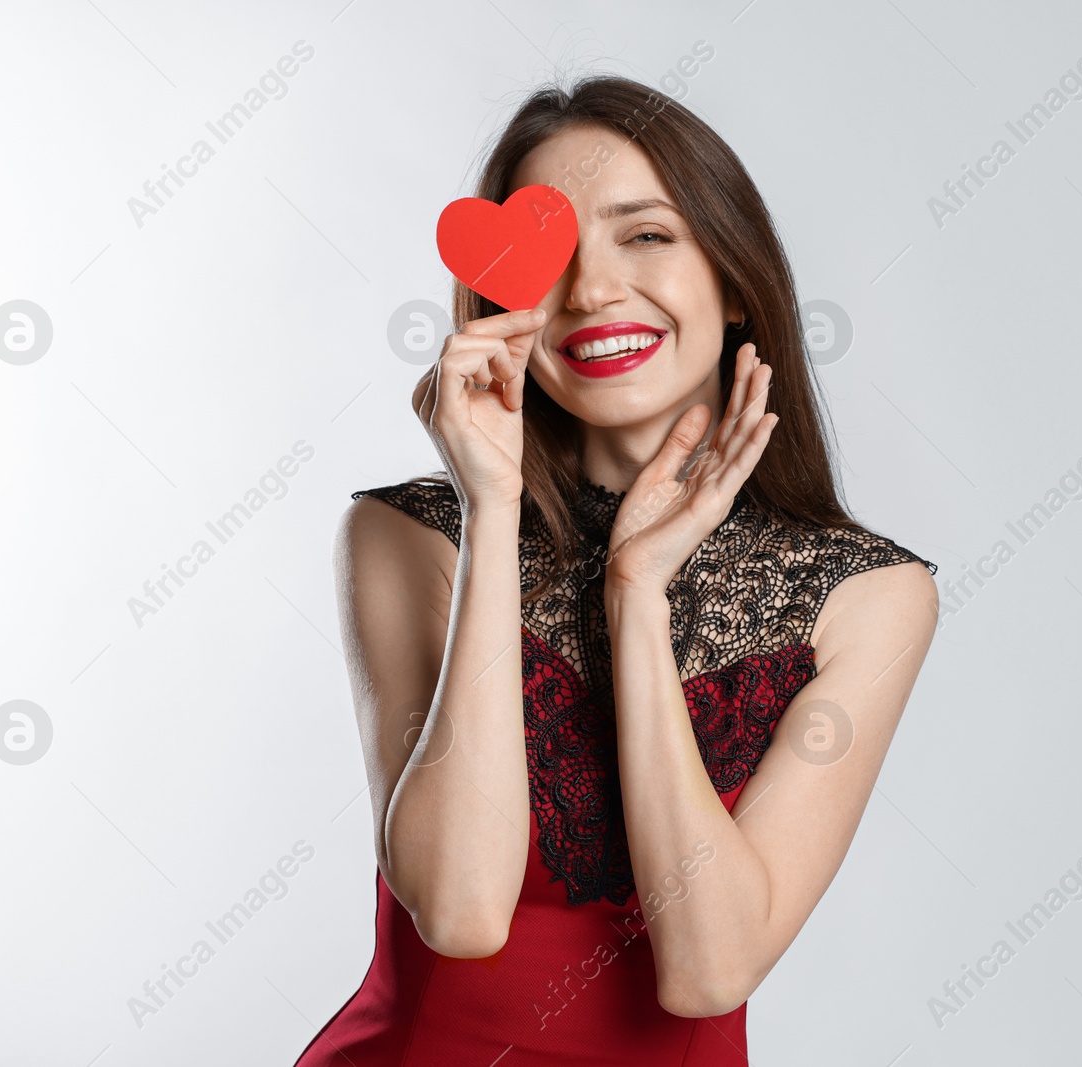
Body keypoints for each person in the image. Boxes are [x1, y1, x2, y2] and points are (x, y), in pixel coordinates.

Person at [294, 74, 938, 1066]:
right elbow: (460, 906)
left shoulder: (870, 596)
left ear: (730, 280)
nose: (592, 289)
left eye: (644, 235)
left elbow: (709, 968)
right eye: (549, 255)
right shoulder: (408, 535)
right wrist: (491, 506)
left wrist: (635, 594)